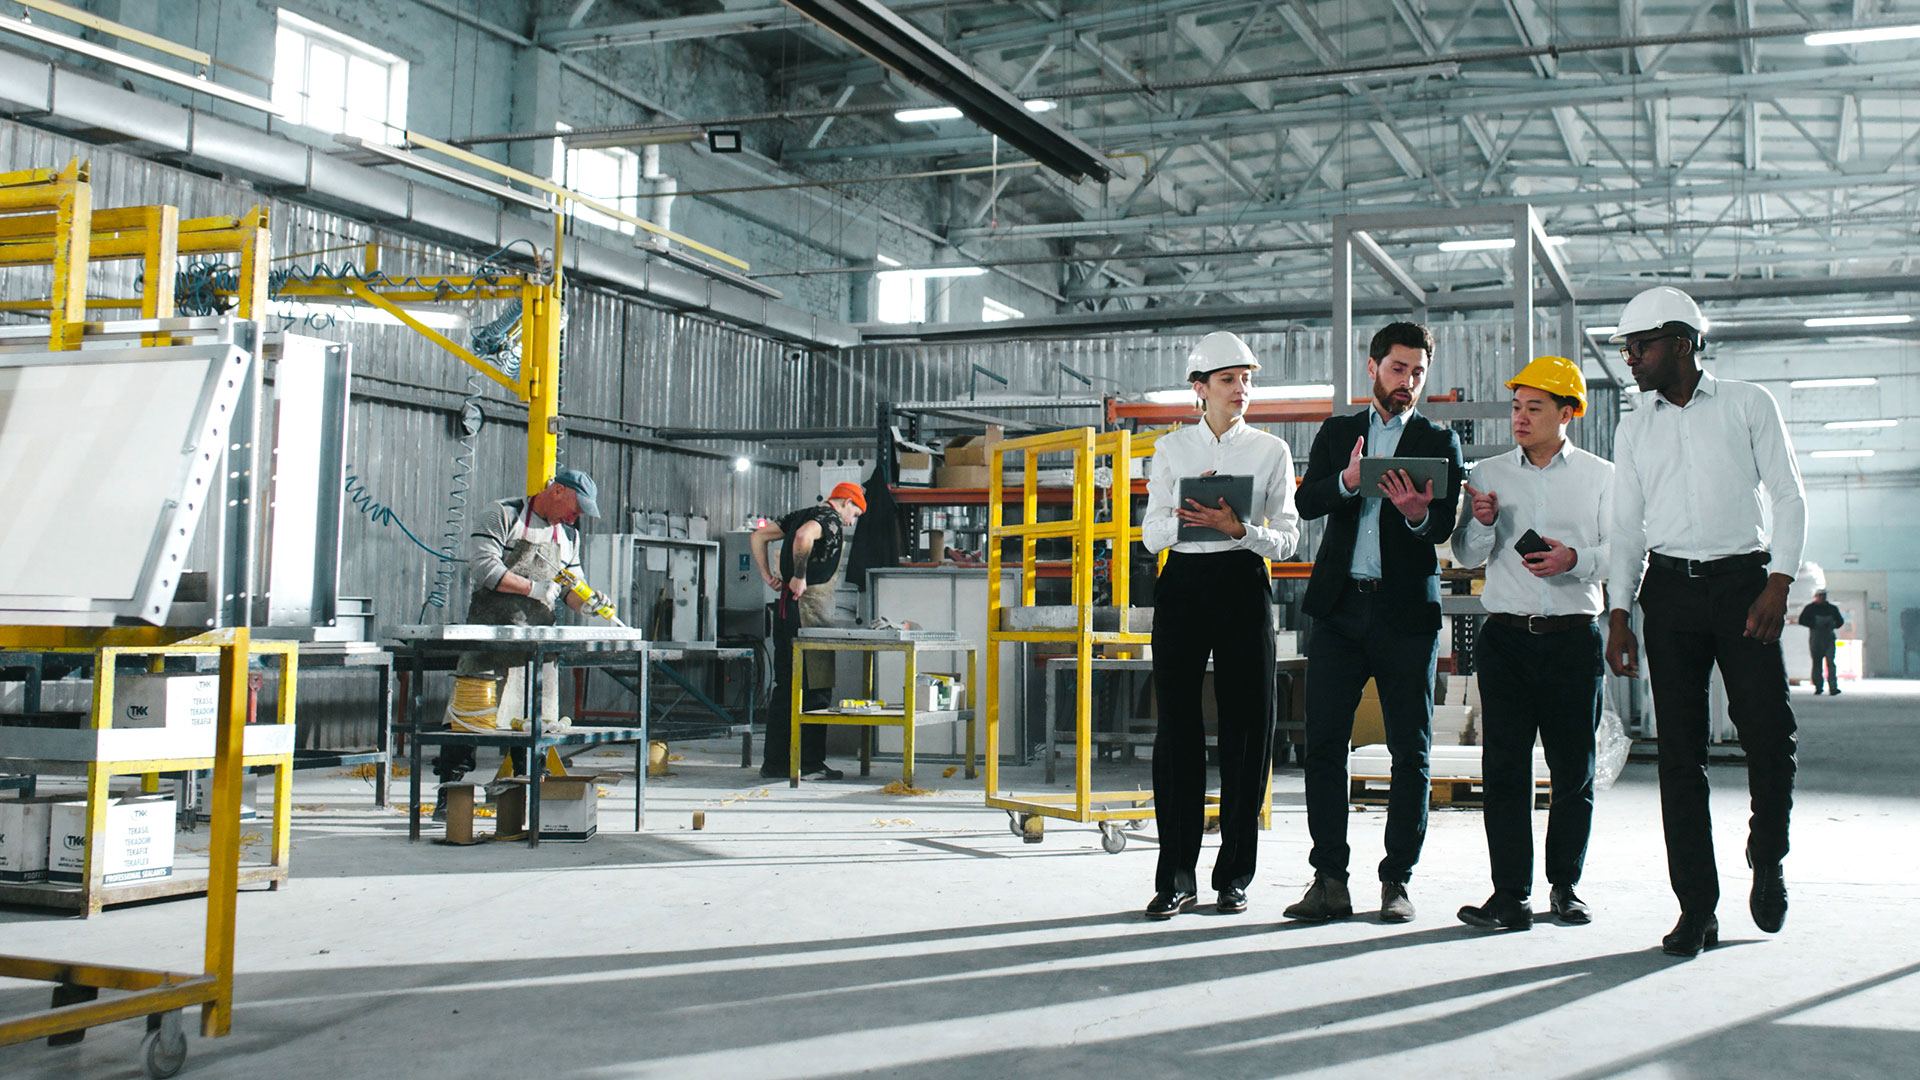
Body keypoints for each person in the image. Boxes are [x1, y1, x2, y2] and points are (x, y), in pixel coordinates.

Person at [1604, 285, 1805, 958]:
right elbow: (1624, 527)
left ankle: (1767, 854)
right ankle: (1698, 909)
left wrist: (1780, 582)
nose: (1631, 359)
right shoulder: (1634, 426)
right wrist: (1618, 613)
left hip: (1745, 585)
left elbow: (1788, 495)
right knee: (1679, 756)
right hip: (1670, 594)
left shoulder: (1749, 404)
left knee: (1769, 732)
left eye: (1642, 346)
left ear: (1684, 343)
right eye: (1627, 348)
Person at [1286, 321, 1463, 924]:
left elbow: (1444, 528)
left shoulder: (1440, 440)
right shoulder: (1339, 433)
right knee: (1326, 747)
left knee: (1410, 751)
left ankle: (1396, 883)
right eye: (1398, 369)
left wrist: (1417, 515)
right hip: (1339, 610)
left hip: (1405, 614)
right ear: (1372, 368)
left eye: (1418, 372)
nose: (1408, 382)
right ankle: (1329, 879)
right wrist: (1348, 480)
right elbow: (1307, 503)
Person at [1138, 331, 1300, 919]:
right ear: (1200, 388)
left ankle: (1234, 875)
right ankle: (1176, 875)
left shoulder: (1271, 451)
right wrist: (1185, 522)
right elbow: (1149, 531)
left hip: (1241, 583)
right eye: (1229, 380)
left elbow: (1287, 537)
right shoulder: (1170, 449)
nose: (1242, 391)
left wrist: (1239, 530)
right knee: (1177, 730)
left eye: (1248, 380)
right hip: (1182, 584)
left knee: (1248, 729)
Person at [1448, 356, 1612, 931]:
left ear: (1567, 413)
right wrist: (1483, 521)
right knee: (1505, 771)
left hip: (1573, 641)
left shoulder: (1601, 477)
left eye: (1534, 408)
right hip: (1507, 641)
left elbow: (1620, 556)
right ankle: (1510, 895)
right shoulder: (1489, 473)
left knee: (1574, 772)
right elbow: (1467, 557)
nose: (1520, 417)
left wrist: (1576, 560)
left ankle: (1565, 887)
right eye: (1516, 407)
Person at [434, 468, 604, 797]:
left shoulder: (568, 536)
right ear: (557, 491)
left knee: (532, 726)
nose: (575, 516)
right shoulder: (503, 514)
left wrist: (588, 603)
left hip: (537, 647)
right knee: (468, 719)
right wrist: (533, 588)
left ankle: (522, 798)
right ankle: (450, 797)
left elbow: (572, 586)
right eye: (575, 507)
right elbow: (484, 567)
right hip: (490, 638)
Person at [754, 481, 867, 780]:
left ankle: (776, 763)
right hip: (807, 613)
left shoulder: (801, 513)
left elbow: (759, 535)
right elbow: (804, 537)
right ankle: (810, 763)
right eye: (854, 513)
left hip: (786, 612)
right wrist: (800, 576)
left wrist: (768, 575)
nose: (851, 521)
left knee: (786, 688)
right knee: (815, 689)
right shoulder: (828, 519)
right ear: (844, 501)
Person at [1797, 590, 1846, 695]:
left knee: (1830, 662)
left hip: (1829, 638)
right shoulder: (1810, 608)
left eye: (1823, 596)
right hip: (1816, 637)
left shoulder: (1832, 609)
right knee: (1817, 662)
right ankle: (1818, 686)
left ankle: (1833, 687)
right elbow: (1801, 620)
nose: (1822, 598)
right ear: (1816, 597)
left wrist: (1834, 625)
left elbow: (1840, 621)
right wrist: (1813, 624)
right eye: (1820, 596)